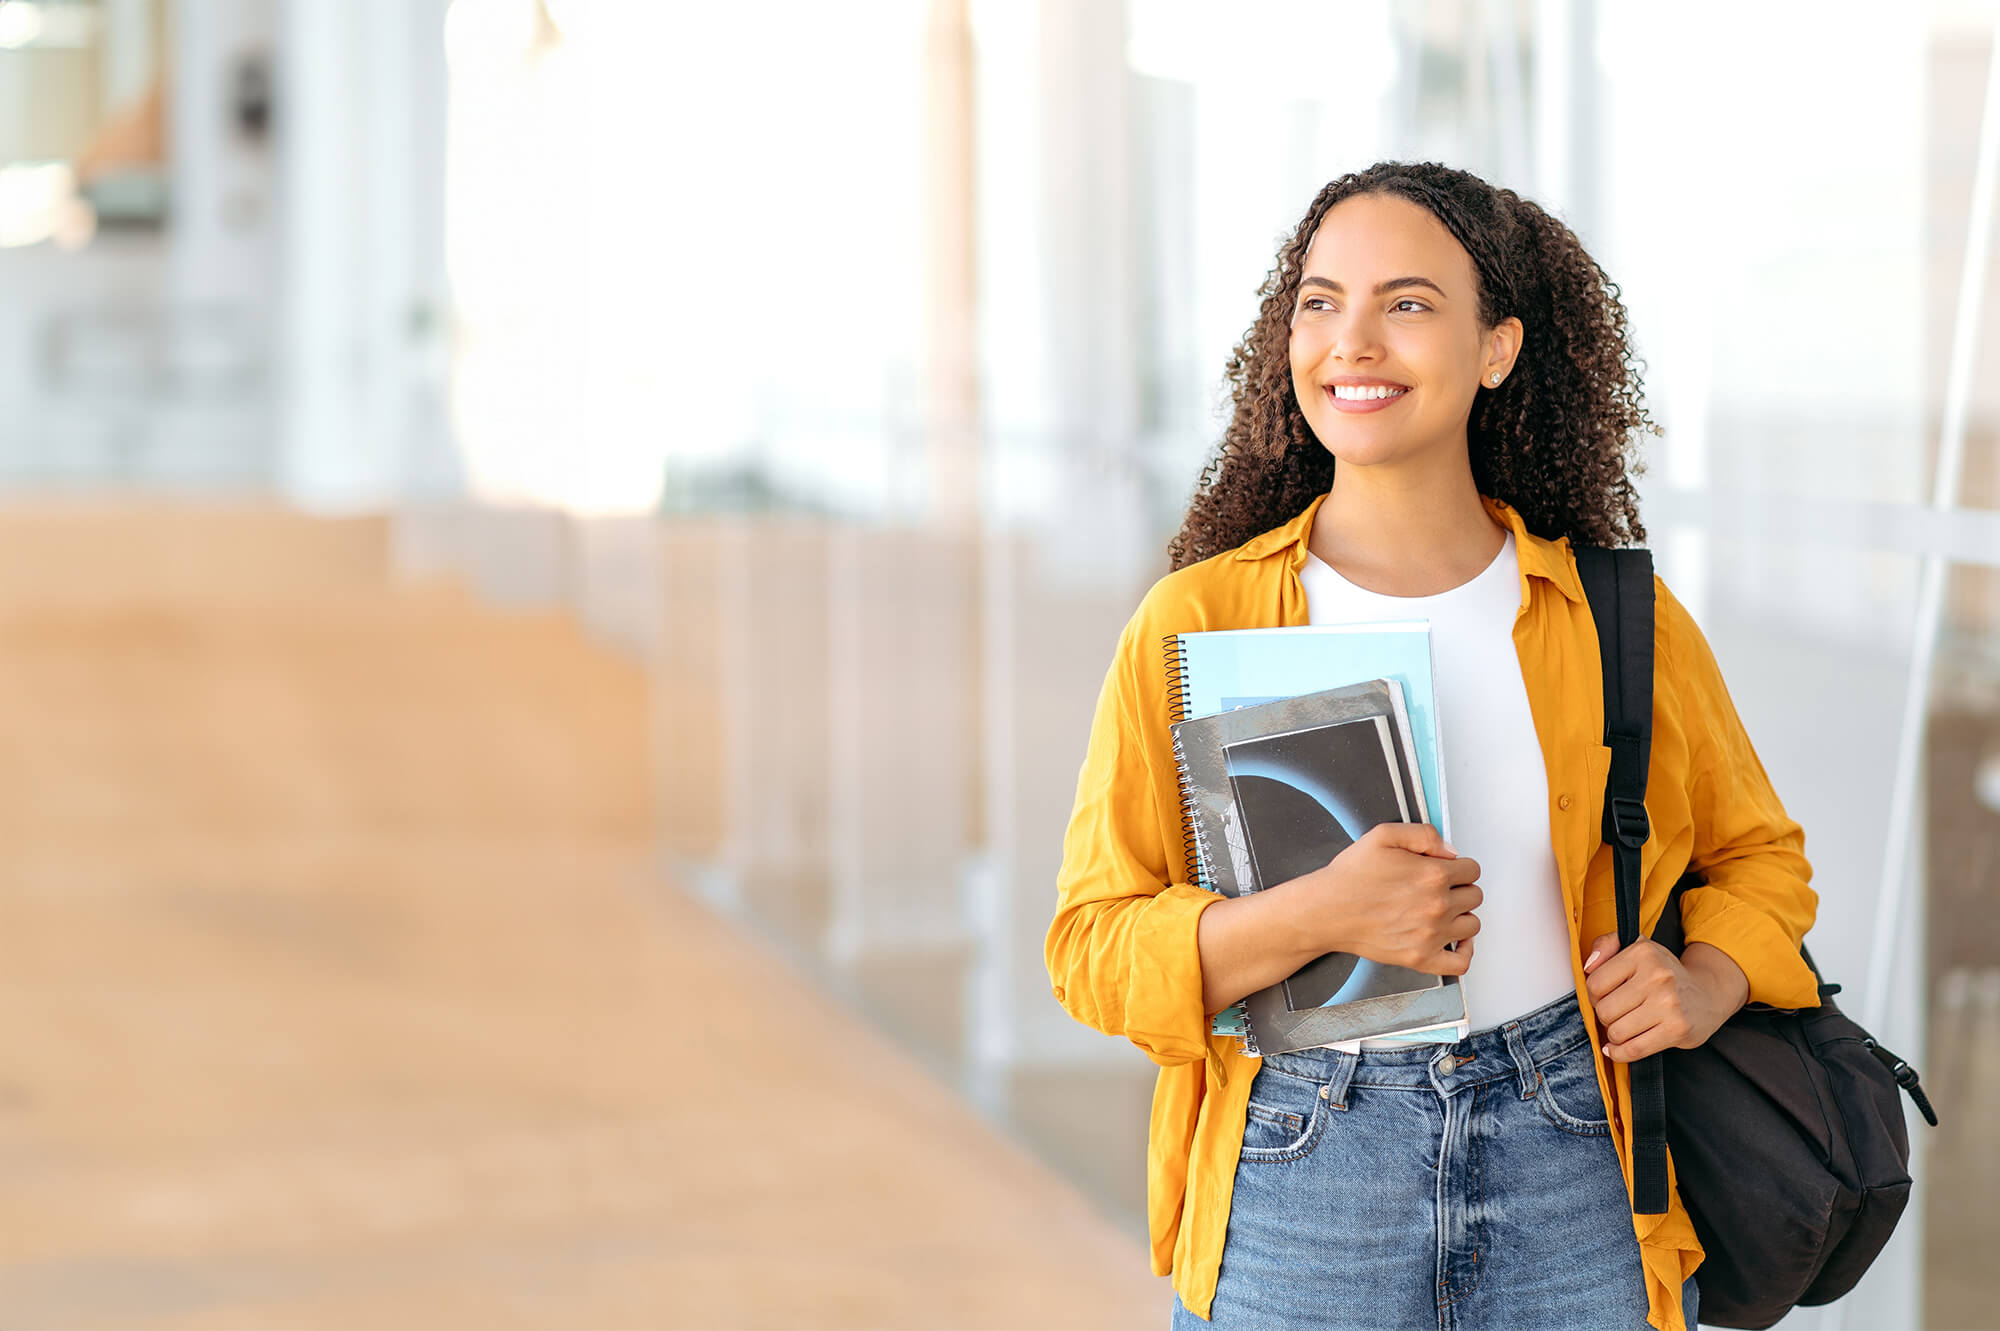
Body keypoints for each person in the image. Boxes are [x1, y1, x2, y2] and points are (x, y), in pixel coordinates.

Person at [1044, 161, 1822, 1331]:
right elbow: (1089, 945)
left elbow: (1760, 860)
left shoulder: (1615, 617)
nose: (1350, 341)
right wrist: (1321, 915)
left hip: (1574, 1158)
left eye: (1404, 304)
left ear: (1495, 348)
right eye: (1318, 302)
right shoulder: (1198, 621)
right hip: (1303, 1165)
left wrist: (1702, 980)